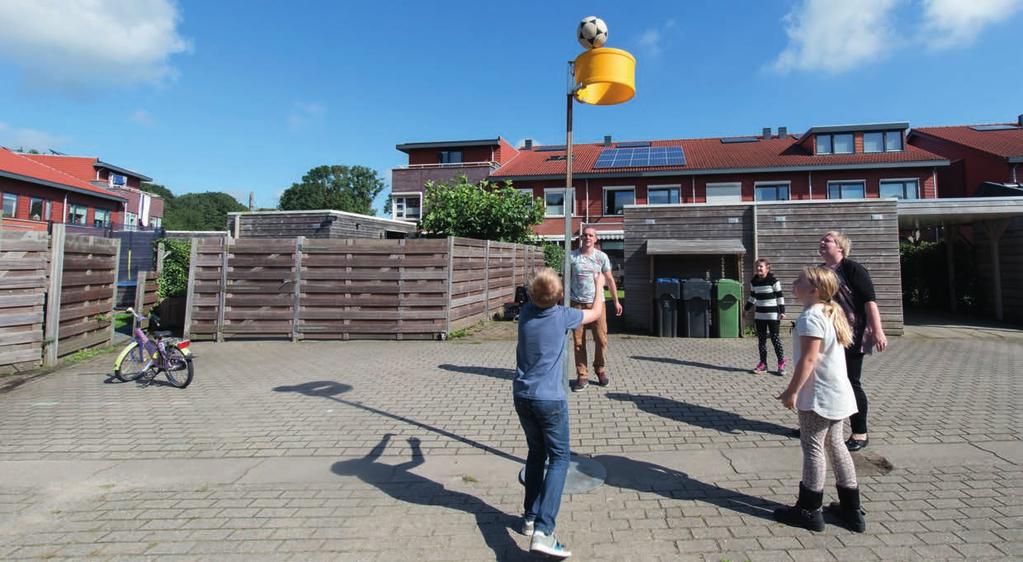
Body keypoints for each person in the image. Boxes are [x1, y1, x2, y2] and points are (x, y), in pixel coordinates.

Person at [514, 267, 605, 559]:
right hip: (549, 400)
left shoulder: (526, 314)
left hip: (522, 397)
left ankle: (529, 517)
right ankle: (544, 531)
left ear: (530, 295)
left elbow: (535, 288)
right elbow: (595, 312)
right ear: (561, 295)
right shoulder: (562, 316)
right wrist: (599, 283)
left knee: (536, 452)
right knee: (559, 458)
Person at [774, 266, 866, 533]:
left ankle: (809, 510)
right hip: (838, 393)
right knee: (836, 445)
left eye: (799, 280)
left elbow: (809, 359)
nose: (794, 281)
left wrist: (792, 391)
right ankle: (852, 510)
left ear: (814, 290)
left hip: (820, 395)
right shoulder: (828, 312)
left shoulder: (811, 316)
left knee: (813, 447)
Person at [818, 231, 887, 452]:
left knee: (851, 381)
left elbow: (870, 302)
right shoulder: (821, 271)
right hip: (828, 334)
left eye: (827, 240)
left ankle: (860, 432)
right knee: (825, 379)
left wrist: (877, 331)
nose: (822, 242)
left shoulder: (853, 269)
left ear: (840, 247)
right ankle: (819, 427)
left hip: (852, 334)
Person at [569, 227, 622, 391]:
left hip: (597, 305)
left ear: (596, 239)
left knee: (601, 339)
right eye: (584, 235)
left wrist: (616, 301)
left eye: (590, 235)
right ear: (580, 237)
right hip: (577, 304)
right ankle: (582, 375)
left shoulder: (601, 257)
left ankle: (600, 369)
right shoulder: (572, 256)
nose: (587, 237)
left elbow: (610, 280)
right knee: (578, 342)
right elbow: (565, 280)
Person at [744, 258, 786, 375]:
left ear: (767, 268)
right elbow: (752, 297)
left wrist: (782, 311)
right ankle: (763, 364)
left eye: (761, 266)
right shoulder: (754, 282)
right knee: (761, 341)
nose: (758, 269)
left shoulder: (773, 281)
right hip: (760, 315)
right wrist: (746, 309)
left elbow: (779, 297)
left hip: (773, 315)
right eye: (757, 266)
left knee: (775, 339)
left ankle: (781, 363)